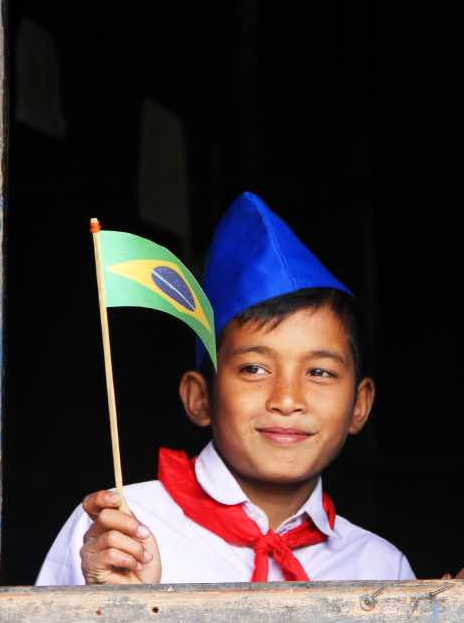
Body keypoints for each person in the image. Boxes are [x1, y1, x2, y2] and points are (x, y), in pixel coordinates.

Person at [36, 193, 415, 585]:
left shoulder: (382, 569)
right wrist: (123, 615)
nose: (287, 399)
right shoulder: (117, 536)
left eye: (319, 372)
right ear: (200, 398)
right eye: (254, 368)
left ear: (360, 404)